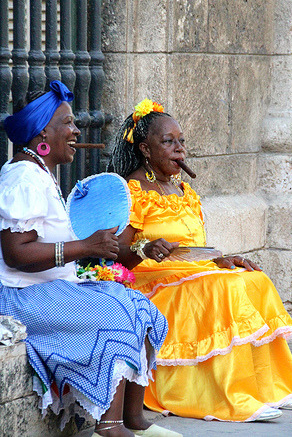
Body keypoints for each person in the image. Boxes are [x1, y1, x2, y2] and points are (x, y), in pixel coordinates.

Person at [108, 98, 292, 423]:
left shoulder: (183, 191)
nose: (179, 150)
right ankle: (232, 395)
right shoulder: (132, 190)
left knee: (254, 280)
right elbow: (115, 252)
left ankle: (269, 389)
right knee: (224, 290)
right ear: (146, 149)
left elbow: (193, 249)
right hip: (152, 283)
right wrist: (145, 248)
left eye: (182, 141)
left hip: (194, 274)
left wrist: (222, 259)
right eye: (168, 142)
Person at [0, 84, 182, 437]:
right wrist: (84, 247)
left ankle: (133, 419)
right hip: (19, 297)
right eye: (67, 123)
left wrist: (97, 246)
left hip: (45, 288)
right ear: (42, 133)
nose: (76, 131)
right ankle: (110, 426)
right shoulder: (22, 178)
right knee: (115, 314)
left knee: (136, 303)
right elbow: (17, 253)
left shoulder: (37, 173)